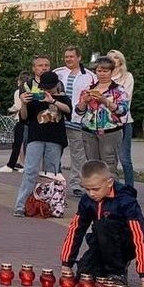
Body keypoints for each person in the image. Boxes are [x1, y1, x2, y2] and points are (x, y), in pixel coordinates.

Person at [59, 160, 144, 287]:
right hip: (101, 243)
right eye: (87, 189)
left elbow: (141, 237)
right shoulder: (87, 201)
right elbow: (75, 230)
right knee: (85, 276)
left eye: (95, 189)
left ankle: (118, 271)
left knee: (104, 224)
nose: (91, 193)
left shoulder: (126, 201)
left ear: (109, 183)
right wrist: (66, 263)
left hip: (124, 245)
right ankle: (105, 269)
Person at [13, 71, 71, 216]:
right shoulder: (34, 98)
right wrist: (24, 104)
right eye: (44, 88)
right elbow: (24, 118)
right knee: (30, 170)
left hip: (55, 139)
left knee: (52, 173)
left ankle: (52, 205)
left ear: (57, 85)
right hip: (36, 137)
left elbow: (69, 111)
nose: (47, 91)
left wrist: (52, 101)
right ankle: (21, 205)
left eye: (50, 88)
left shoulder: (62, 97)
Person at [77, 56, 129, 176]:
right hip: (89, 131)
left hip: (110, 131)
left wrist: (105, 101)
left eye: (105, 71)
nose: (102, 74)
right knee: (92, 166)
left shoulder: (118, 90)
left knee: (109, 166)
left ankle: (111, 193)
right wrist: (84, 101)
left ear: (112, 72)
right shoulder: (88, 89)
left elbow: (123, 110)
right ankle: (94, 192)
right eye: (99, 71)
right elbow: (79, 111)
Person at [0, 58, 51, 172]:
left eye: (46, 65)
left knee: (50, 162)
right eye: (40, 65)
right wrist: (24, 104)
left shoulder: (56, 84)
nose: (44, 68)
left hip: (50, 125)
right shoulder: (26, 86)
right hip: (30, 124)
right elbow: (23, 110)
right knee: (27, 152)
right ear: (34, 68)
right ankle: (22, 167)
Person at [54, 46, 94, 197]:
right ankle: (55, 179)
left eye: (71, 56)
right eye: (66, 57)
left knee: (78, 153)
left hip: (78, 120)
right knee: (55, 151)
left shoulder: (89, 76)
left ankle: (76, 183)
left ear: (79, 58)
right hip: (58, 119)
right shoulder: (58, 73)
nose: (68, 59)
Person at [106, 49, 136, 187]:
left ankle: (129, 188)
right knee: (109, 158)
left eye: (116, 57)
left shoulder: (127, 77)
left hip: (123, 121)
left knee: (125, 158)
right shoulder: (102, 77)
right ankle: (112, 187)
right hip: (105, 122)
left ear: (120, 60)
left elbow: (125, 98)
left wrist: (107, 100)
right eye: (110, 58)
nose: (113, 60)